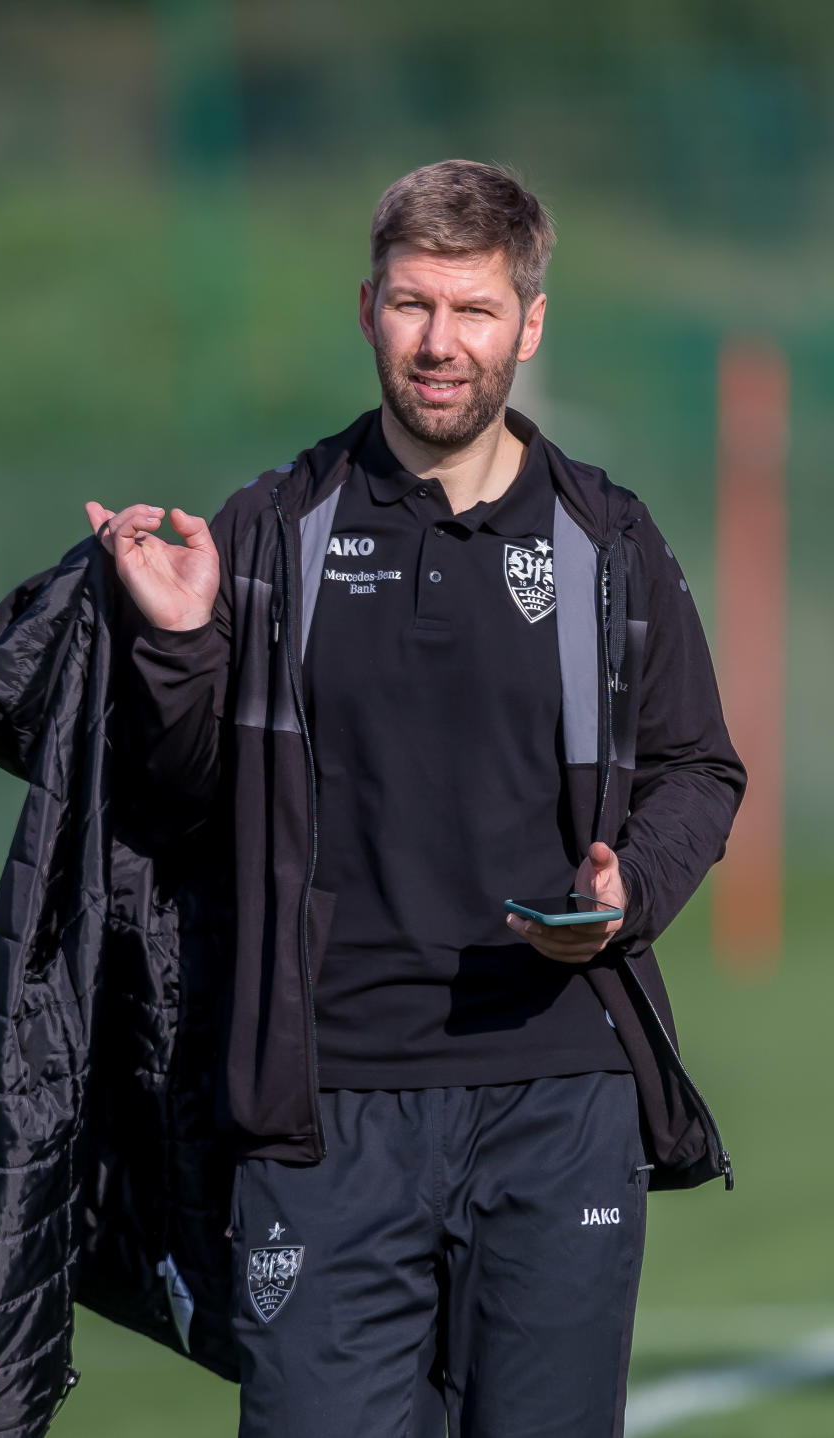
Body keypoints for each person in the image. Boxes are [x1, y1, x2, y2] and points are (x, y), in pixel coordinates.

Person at [80, 159, 745, 1438]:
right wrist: (172, 647)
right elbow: (179, 804)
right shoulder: (277, 530)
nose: (440, 344)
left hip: (558, 1096)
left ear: (531, 324)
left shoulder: (609, 543)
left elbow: (698, 767)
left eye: (475, 310)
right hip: (323, 1113)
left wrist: (631, 890)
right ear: (368, 308)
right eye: (411, 305)